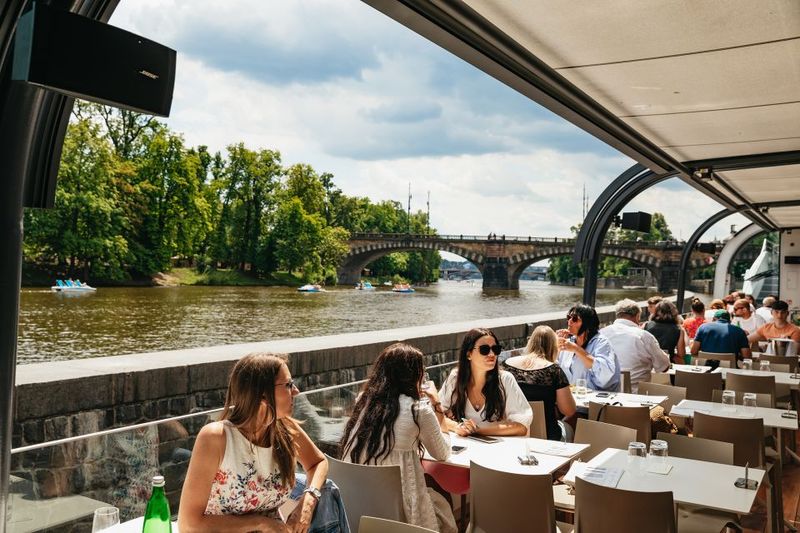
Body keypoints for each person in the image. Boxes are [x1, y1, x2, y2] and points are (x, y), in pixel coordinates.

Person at [178, 353, 349, 533]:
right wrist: (261, 523)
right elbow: (189, 525)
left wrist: (308, 499)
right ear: (263, 395)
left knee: (329, 490)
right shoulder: (216, 438)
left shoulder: (284, 429)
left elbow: (318, 462)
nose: (296, 391)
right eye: (288, 385)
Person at [339, 343, 456, 533]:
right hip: (401, 515)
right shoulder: (418, 410)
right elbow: (442, 453)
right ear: (414, 376)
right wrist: (437, 405)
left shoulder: (364, 401)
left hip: (360, 504)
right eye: (422, 372)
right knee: (443, 496)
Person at [439, 327, 532, 437]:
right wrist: (457, 427)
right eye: (484, 349)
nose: (492, 354)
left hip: (499, 449)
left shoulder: (505, 380)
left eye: (496, 349)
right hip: (466, 447)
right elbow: (436, 414)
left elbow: (521, 427)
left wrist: (477, 430)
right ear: (469, 354)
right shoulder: (455, 378)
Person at [503, 325, 577, 441]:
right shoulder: (554, 370)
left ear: (530, 342)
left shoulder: (506, 365)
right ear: (553, 346)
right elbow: (569, 410)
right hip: (547, 436)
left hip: (511, 432)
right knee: (569, 427)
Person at [600, 299, 670, 391]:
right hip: (636, 398)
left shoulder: (601, 334)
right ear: (637, 316)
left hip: (602, 395)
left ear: (617, 315)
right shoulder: (644, 336)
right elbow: (664, 367)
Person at [556, 304, 620, 392]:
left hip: (595, 401)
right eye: (568, 317)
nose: (569, 322)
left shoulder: (602, 342)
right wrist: (556, 347)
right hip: (572, 399)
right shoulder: (568, 342)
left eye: (574, 319)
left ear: (587, 323)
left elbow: (605, 375)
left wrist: (577, 349)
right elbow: (554, 371)